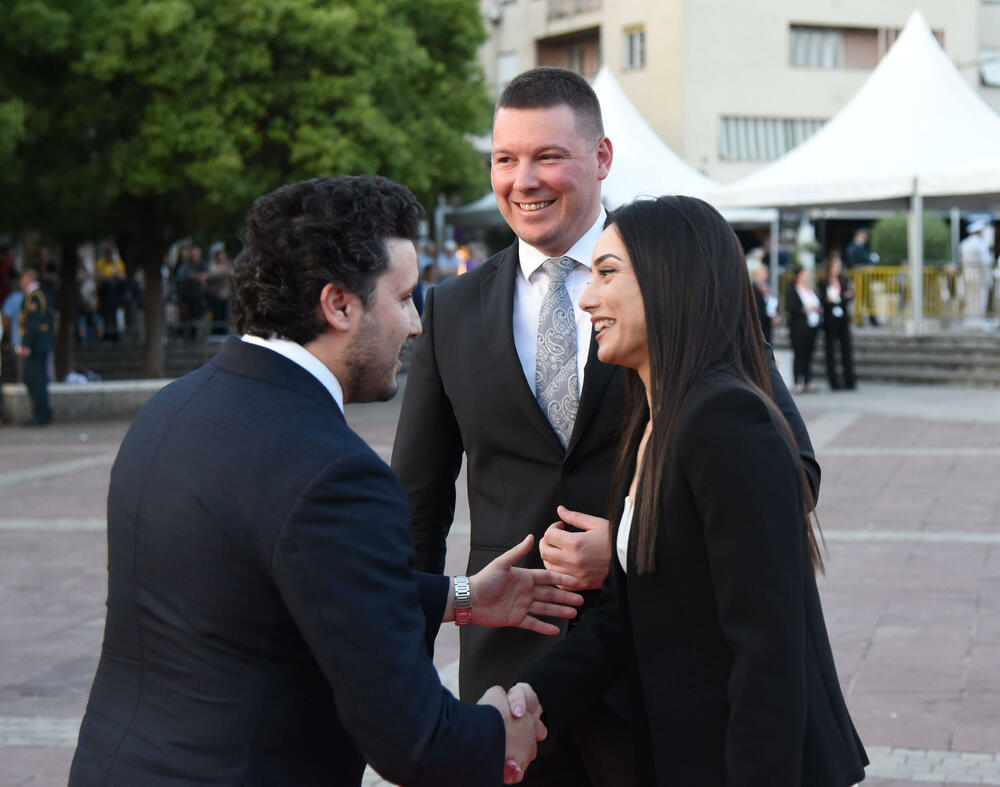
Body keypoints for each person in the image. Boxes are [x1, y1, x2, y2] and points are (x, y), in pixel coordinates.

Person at [69, 175, 591, 787]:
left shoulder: (170, 411)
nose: (416, 325)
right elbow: (414, 740)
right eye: (404, 298)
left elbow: (277, 585)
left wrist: (461, 597)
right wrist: (500, 733)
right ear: (339, 305)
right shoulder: (336, 475)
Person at [392, 66, 819, 787]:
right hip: (512, 676)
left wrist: (628, 545)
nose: (523, 180)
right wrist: (406, 664)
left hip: (656, 672)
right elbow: (417, 505)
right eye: (505, 159)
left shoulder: (678, 282)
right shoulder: (453, 308)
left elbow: (793, 470)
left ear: (602, 158)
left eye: (548, 156)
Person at [515, 196, 868, 786]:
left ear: (670, 279)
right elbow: (620, 621)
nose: (586, 298)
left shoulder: (725, 418)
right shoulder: (653, 420)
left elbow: (768, 651)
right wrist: (529, 699)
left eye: (607, 273)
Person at [17, 268, 54, 426]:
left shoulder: (35, 296)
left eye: (22, 279)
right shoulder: (35, 295)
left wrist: (25, 344)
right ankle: (44, 412)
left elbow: (33, 322)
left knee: (36, 380)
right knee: (32, 378)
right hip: (38, 343)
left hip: (37, 344)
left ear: (29, 279)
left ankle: (41, 414)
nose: (20, 283)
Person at [818, 253, 856, 390]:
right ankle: (833, 381)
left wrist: (842, 298)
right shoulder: (823, 282)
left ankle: (849, 380)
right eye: (835, 266)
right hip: (830, 320)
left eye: (839, 267)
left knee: (846, 349)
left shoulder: (844, 281)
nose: (838, 269)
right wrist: (835, 299)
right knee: (830, 350)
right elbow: (823, 300)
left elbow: (848, 296)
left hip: (842, 319)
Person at [786, 264, 822, 393]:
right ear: (798, 275)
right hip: (799, 327)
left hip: (812, 326)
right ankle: (797, 382)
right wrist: (805, 309)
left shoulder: (810, 290)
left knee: (809, 354)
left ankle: (807, 380)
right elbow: (792, 307)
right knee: (799, 353)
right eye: (805, 274)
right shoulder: (792, 289)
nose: (808, 276)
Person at [960, 219, 993, 328]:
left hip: (967, 276)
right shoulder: (980, 244)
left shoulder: (964, 244)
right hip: (979, 277)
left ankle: (970, 322)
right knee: (980, 300)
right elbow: (986, 262)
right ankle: (978, 322)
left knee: (970, 299)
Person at [749, 261, 778, 344]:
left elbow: (772, 302)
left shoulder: (767, 287)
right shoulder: (752, 288)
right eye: (762, 272)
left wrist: (776, 315)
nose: (765, 274)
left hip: (768, 324)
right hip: (760, 323)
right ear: (755, 274)